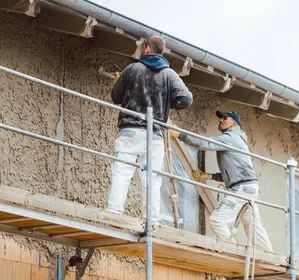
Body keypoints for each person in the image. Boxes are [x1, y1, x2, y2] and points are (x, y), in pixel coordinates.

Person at [106, 35, 193, 223]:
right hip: (155, 135)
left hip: (131, 130)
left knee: (122, 171)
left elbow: (116, 97)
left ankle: (114, 213)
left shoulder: (133, 69)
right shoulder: (169, 75)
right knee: (152, 179)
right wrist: (167, 103)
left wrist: (120, 82)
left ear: (146, 49)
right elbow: (186, 99)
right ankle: (151, 221)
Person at [172, 110, 273, 251]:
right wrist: (210, 176)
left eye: (225, 118)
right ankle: (269, 255)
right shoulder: (236, 139)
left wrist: (180, 135)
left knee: (217, 220)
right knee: (253, 226)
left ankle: (232, 250)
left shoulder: (231, 137)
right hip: (249, 188)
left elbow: (206, 143)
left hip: (242, 189)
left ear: (234, 123)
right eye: (221, 118)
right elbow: (233, 171)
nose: (221, 120)